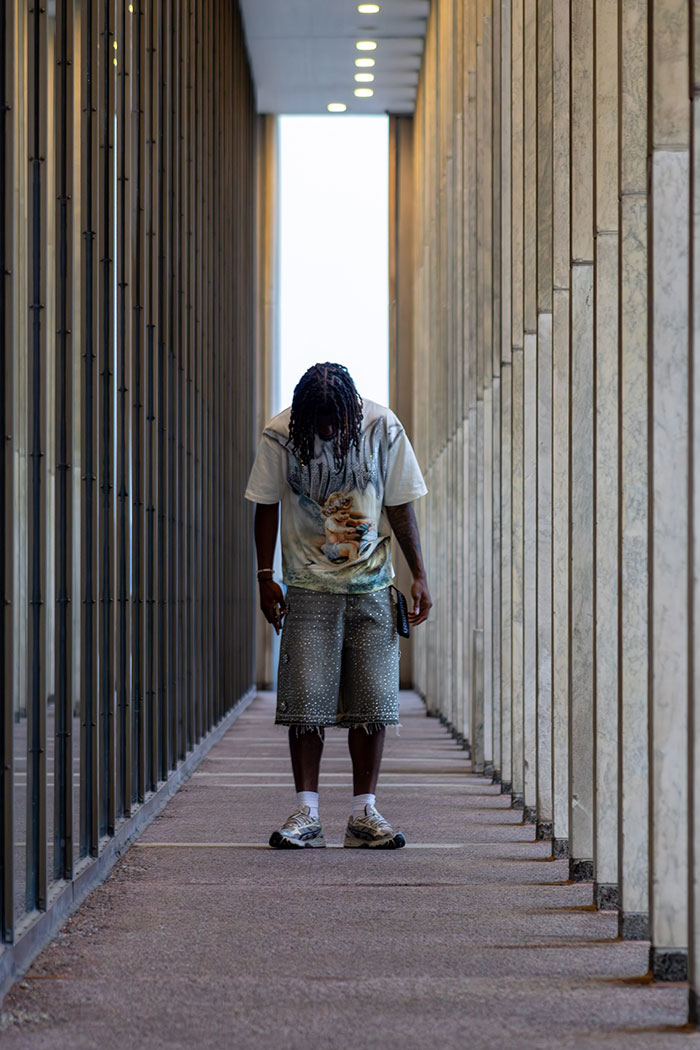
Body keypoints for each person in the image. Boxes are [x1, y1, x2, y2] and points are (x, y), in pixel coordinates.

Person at [244, 362, 432, 849]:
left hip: (372, 587)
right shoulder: (281, 434)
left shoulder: (383, 428)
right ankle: (306, 814)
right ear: (304, 415)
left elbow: (400, 506)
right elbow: (265, 504)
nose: (327, 429)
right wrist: (265, 577)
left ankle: (363, 815)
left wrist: (419, 574)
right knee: (304, 705)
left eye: (335, 421)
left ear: (352, 410)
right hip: (308, 588)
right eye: (318, 423)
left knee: (373, 704)